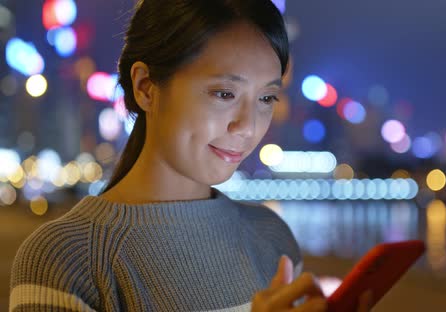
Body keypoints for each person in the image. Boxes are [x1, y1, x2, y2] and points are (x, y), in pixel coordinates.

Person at [9, 0, 374, 311]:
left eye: (266, 98)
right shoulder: (65, 257)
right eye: (224, 94)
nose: (247, 126)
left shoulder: (272, 236)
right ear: (146, 88)